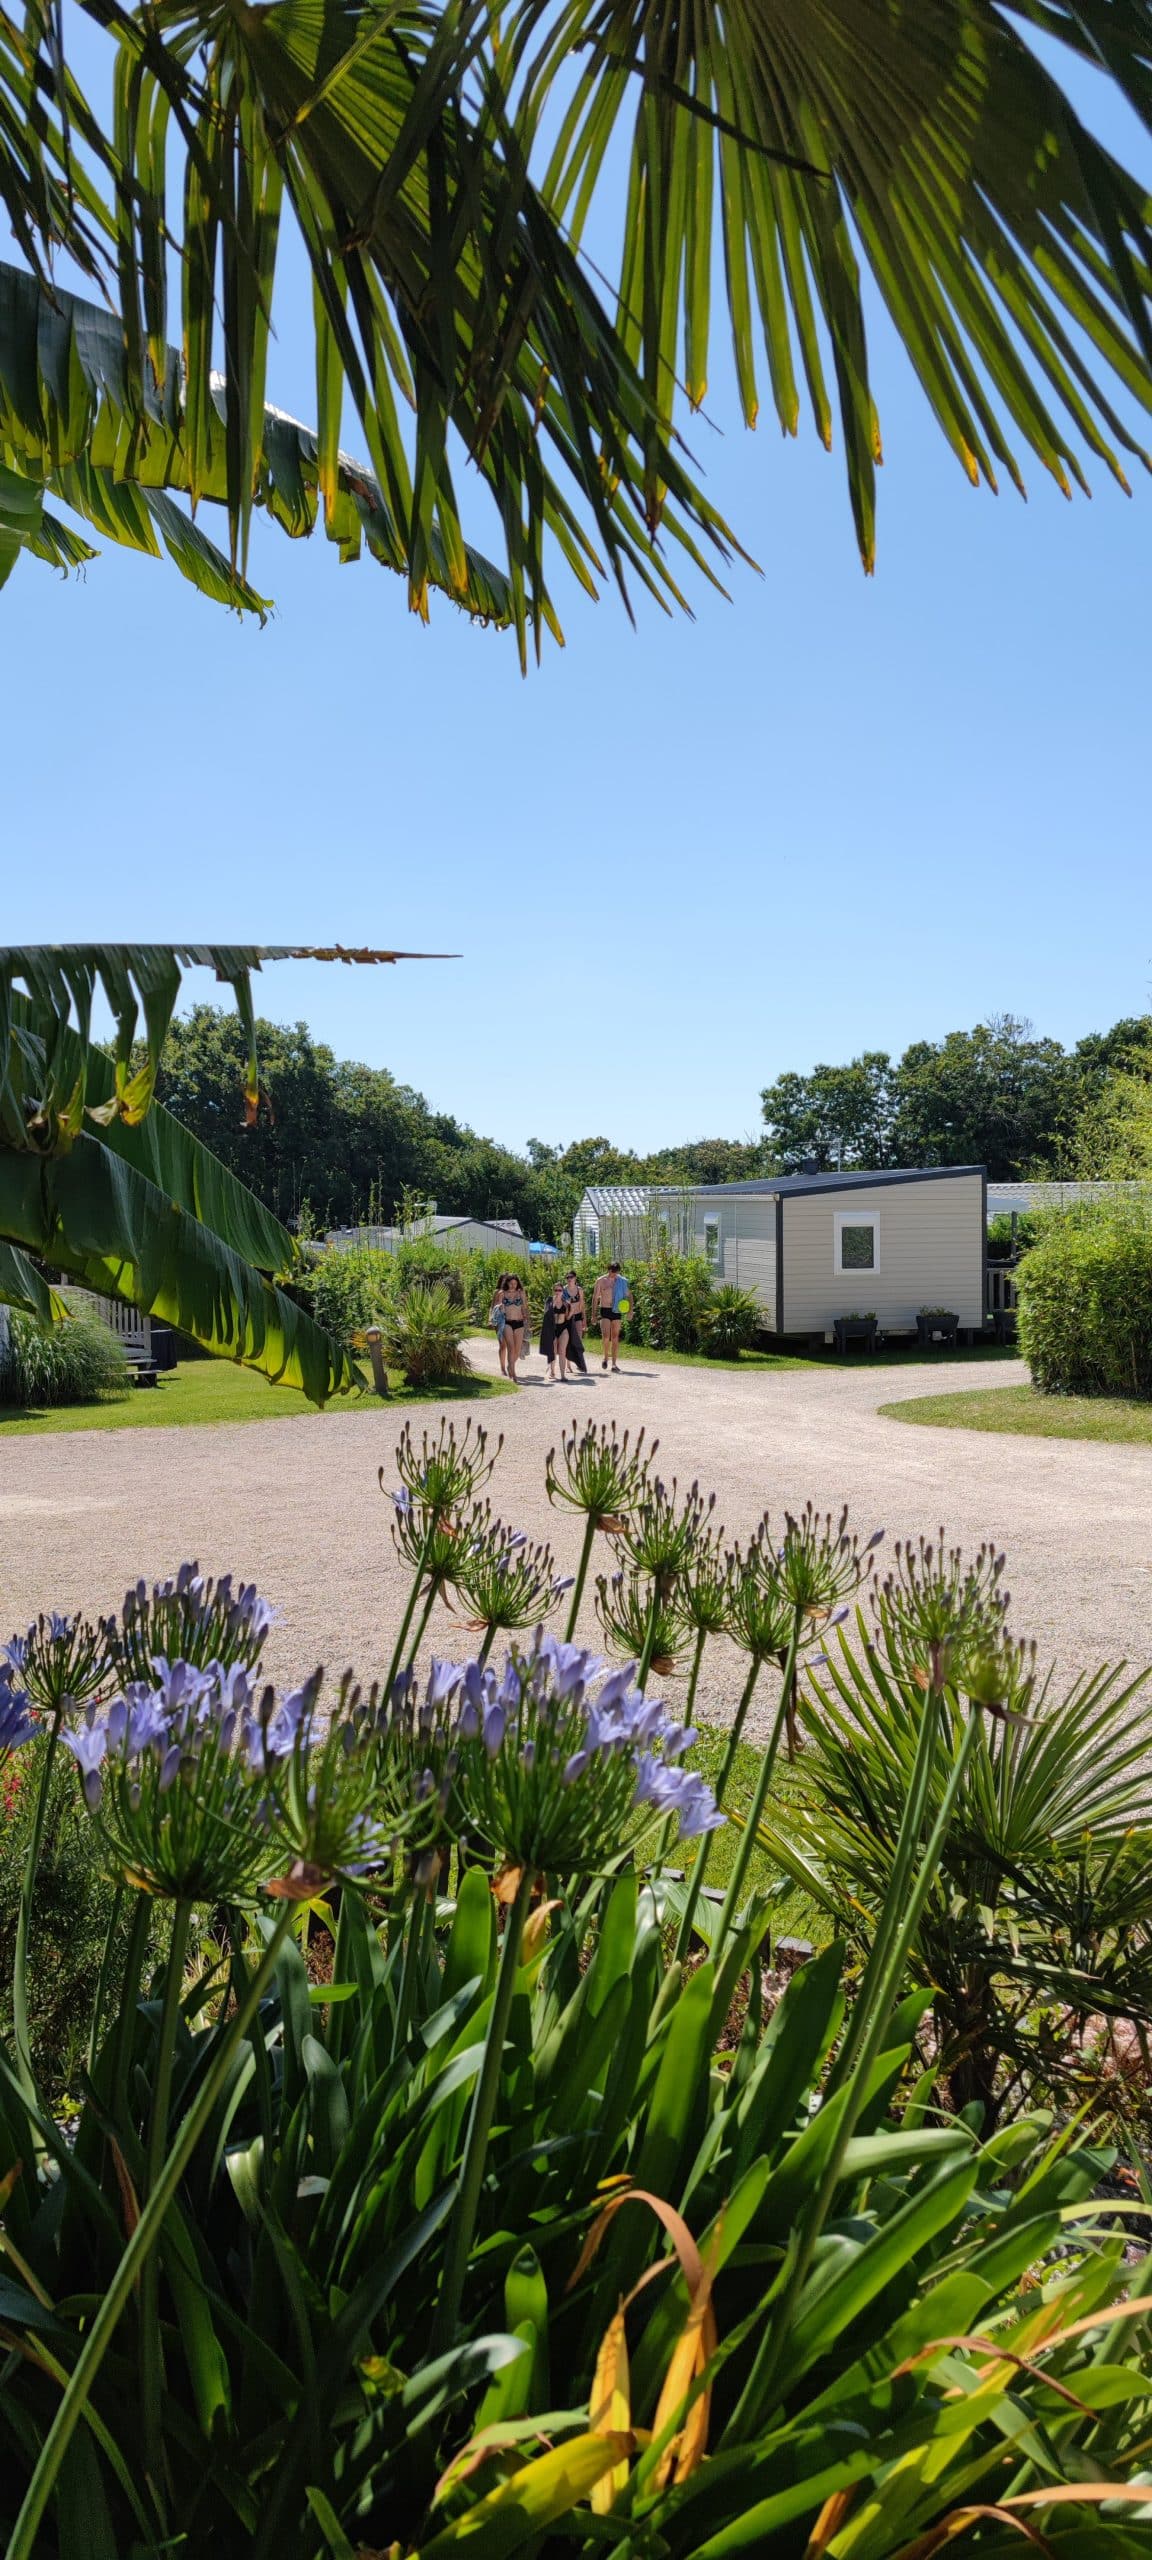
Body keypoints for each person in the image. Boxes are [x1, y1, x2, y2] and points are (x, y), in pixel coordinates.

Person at [591, 1260, 629, 1372]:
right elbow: (595, 1298)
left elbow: (628, 1294)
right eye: (613, 1272)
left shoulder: (621, 1281)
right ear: (609, 1270)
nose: (614, 1274)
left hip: (616, 1310)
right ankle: (605, 1357)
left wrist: (629, 1309)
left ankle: (614, 1364)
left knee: (615, 1336)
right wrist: (593, 1315)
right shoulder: (601, 1281)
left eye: (616, 1272)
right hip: (605, 1309)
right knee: (606, 1336)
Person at [499, 1271, 527, 1383]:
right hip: (507, 1322)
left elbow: (525, 1307)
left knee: (517, 1349)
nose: (513, 1286)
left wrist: (527, 1320)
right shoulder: (502, 1293)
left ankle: (510, 1366)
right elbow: (497, 1308)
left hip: (519, 1323)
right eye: (511, 1283)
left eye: (515, 1284)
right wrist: (500, 1307)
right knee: (510, 1347)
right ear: (507, 1283)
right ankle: (513, 1372)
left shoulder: (521, 1293)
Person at [564, 1271, 589, 1376]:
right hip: (567, 1318)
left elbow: (582, 1305)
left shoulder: (580, 1290)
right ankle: (567, 1364)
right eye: (567, 1277)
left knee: (578, 1340)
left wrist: (584, 1319)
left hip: (578, 1316)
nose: (569, 1279)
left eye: (571, 1277)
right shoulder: (564, 1290)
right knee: (567, 1341)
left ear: (575, 1278)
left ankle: (579, 1363)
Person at [489, 1274, 509, 1376]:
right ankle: (502, 1368)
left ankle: (510, 1366)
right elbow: (492, 1306)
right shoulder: (497, 1292)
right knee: (502, 1344)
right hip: (499, 1319)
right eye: (504, 1280)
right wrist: (490, 1319)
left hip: (510, 1319)